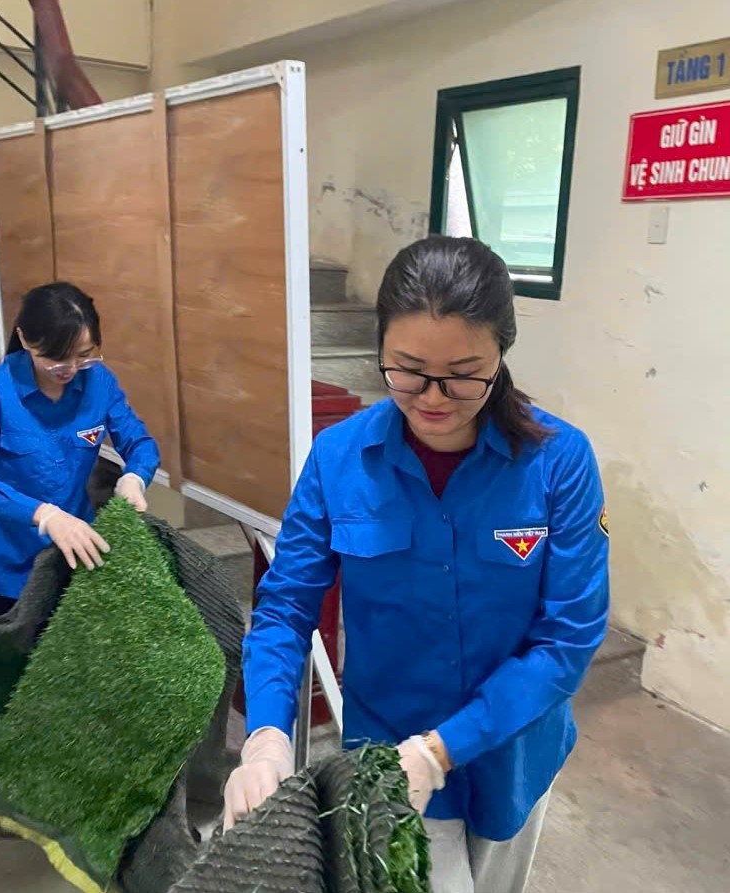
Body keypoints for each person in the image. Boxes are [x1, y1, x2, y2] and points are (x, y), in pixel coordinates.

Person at [223, 236, 609, 893]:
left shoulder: (559, 462)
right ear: (380, 349)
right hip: (389, 759)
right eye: (406, 370)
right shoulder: (339, 458)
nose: (433, 397)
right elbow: (285, 608)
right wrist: (265, 736)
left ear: (501, 354)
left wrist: (443, 748)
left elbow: (569, 637)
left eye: (463, 373)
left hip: (515, 750)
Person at [0, 281, 160, 628]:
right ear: (24, 338)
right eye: (56, 357)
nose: (70, 369)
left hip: (72, 557)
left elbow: (140, 443)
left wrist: (134, 478)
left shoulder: (99, 382)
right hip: (4, 567)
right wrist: (45, 515)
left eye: (83, 354)